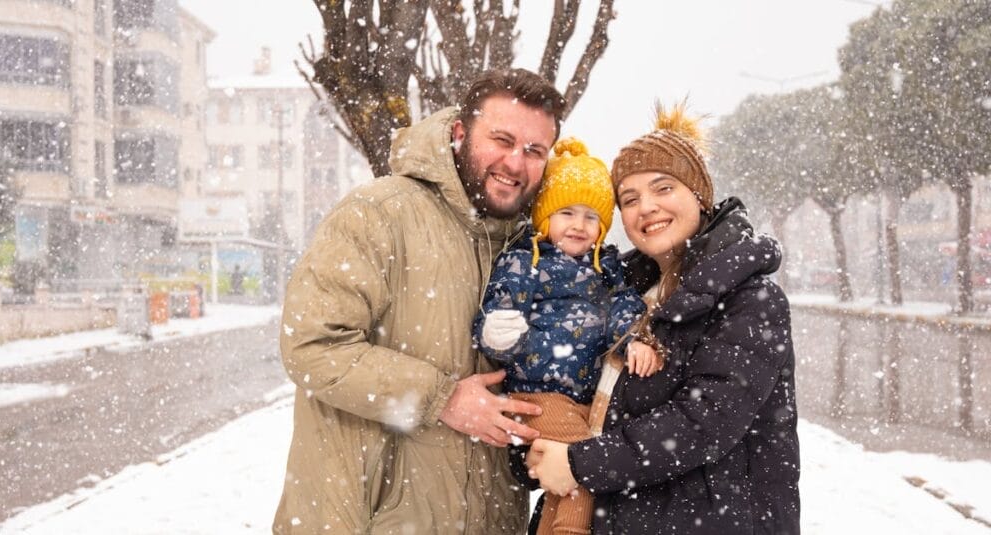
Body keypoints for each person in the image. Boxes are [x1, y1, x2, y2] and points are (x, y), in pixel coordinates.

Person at [273, 69, 567, 534]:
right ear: (458, 133)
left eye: (534, 150)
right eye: (502, 139)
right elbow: (311, 347)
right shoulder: (377, 215)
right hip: (367, 522)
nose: (516, 163)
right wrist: (441, 397)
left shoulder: (530, 248)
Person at [524, 102, 801, 534]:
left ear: (699, 195)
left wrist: (579, 464)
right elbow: (584, 399)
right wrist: (540, 446)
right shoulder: (624, 295)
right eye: (629, 199)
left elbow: (704, 422)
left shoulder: (753, 299)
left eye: (663, 188)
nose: (646, 207)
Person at [474, 138, 662, 535]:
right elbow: (499, 308)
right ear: (545, 217)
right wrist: (497, 332)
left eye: (591, 217)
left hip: (582, 398)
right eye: (567, 213)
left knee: (564, 480)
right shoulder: (526, 260)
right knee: (581, 461)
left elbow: (623, 309)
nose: (579, 225)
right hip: (534, 393)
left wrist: (634, 340)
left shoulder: (607, 268)